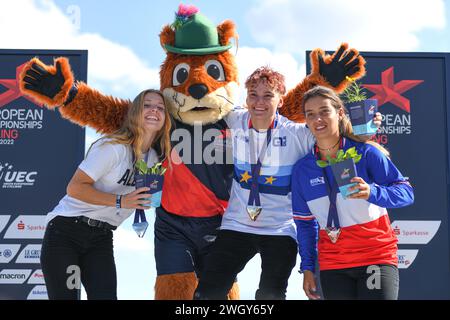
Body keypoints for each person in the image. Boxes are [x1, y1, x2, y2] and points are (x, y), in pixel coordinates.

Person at [193, 67, 382, 300]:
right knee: (206, 294)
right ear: (246, 97)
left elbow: (333, 134)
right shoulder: (235, 118)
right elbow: (201, 104)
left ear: (281, 99)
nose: (259, 102)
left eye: (268, 95)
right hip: (236, 226)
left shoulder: (297, 134)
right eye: (253, 94)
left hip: (280, 229)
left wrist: (365, 128)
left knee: (270, 295)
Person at [40, 89, 172, 300]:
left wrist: (144, 200)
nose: (154, 110)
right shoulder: (113, 148)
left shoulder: (155, 159)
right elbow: (74, 188)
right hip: (67, 233)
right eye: (147, 105)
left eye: (160, 108)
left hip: (101, 238)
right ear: (135, 112)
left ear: (166, 119)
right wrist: (121, 201)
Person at [291, 85, 414, 300]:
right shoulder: (303, 169)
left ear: (339, 113)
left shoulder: (366, 153)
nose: (318, 119)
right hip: (333, 263)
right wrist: (308, 267)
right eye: (311, 114)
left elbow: (406, 193)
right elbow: (305, 223)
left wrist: (372, 192)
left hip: (375, 256)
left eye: (324, 111)